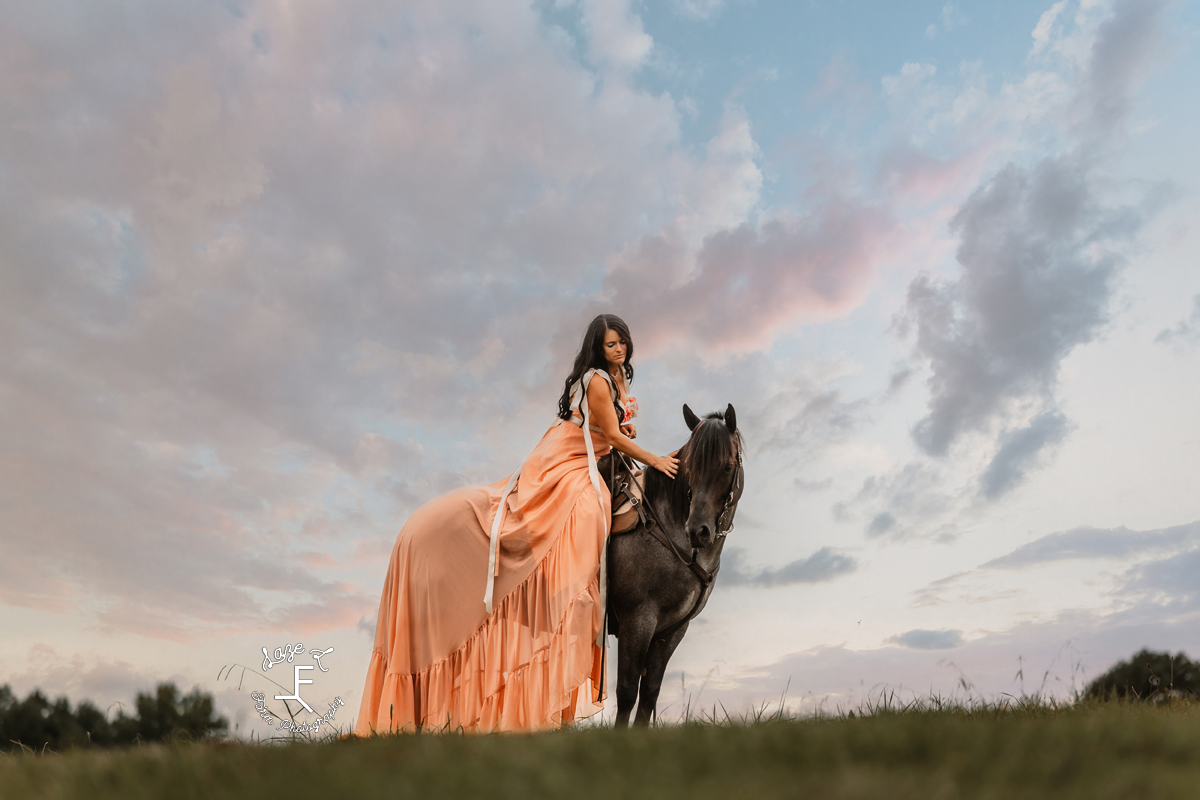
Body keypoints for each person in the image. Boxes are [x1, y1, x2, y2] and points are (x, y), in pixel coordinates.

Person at [354, 314, 678, 734]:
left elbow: (615, 433)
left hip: (598, 454)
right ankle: (571, 586)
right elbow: (613, 436)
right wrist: (654, 459)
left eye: (622, 343)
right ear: (597, 349)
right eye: (610, 344)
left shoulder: (620, 379)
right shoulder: (598, 380)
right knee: (588, 503)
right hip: (572, 456)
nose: (618, 350)